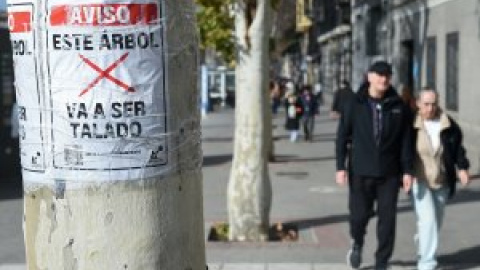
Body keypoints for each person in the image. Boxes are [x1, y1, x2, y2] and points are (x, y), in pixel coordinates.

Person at [335, 61, 414, 270]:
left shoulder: (398, 106)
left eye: (387, 75)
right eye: (379, 75)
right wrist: (340, 167)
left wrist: (407, 171)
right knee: (359, 216)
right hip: (360, 171)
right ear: (369, 77)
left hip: (389, 173)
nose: (384, 79)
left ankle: (382, 261)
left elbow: (406, 141)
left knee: (387, 221)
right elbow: (342, 135)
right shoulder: (354, 103)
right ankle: (357, 243)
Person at [411, 87, 470, 270]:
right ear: (418, 103)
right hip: (419, 180)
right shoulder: (411, 124)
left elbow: (457, 148)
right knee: (428, 220)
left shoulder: (448, 124)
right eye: (426, 104)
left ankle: (423, 240)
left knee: (435, 222)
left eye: (433, 104)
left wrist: (462, 168)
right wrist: (404, 171)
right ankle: (427, 263)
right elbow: (403, 149)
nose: (430, 108)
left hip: (442, 180)